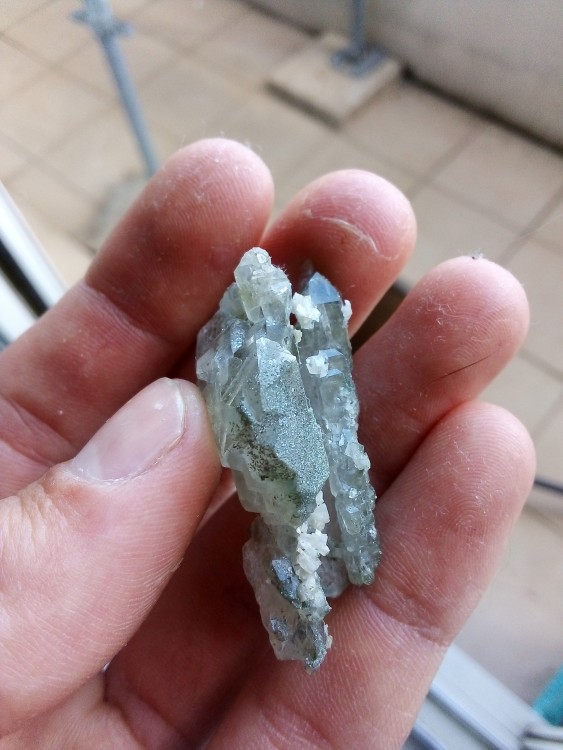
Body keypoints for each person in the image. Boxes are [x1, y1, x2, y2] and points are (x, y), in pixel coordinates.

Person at [0, 139, 535, 749]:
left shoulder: (288, 350)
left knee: (325, 510)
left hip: (302, 486)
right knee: (306, 516)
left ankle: (320, 585)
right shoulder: (243, 352)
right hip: (282, 476)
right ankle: (313, 593)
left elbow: (326, 433)